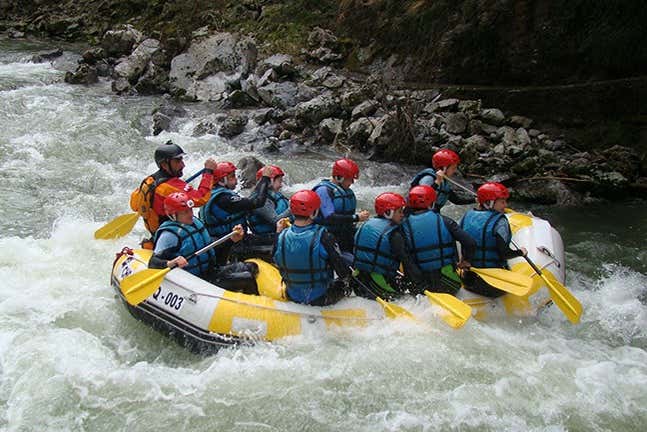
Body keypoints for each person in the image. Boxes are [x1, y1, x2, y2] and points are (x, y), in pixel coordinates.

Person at [148, 192, 259, 294]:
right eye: (185, 212)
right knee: (247, 278)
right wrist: (171, 262)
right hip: (196, 280)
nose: (190, 214)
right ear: (173, 215)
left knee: (252, 267)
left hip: (211, 271)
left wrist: (231, 240)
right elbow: (153, 262)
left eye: (191, 210)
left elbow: (209, 248)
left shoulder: (195, 223)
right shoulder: (169, 235)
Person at [130, 141, 216, 247]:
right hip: (175, 239)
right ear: (164, 164)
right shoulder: (169, 187)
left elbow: (134, 205)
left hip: (159, 235)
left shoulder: (149, 181)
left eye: (181, 160)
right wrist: (208, 172)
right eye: (177, 161)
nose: (183, 165)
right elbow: (201, 198)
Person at [273, 190, 352, 306]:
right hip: (320, 297)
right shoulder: (324, 236)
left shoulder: (281, 236)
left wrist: (277, 232)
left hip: (292, 295)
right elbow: (341, 270)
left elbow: (276, 259)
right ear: (313, 213)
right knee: (345, 282)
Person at [401, 185, 476, 295]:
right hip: (448, 282)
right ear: (432, 203)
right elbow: (470, 243)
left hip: (419, 283)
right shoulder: (446, 221)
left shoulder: (402, 226)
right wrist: (466, 261)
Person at [459, 182, 527, 297]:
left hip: (468, 280)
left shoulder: (466, 216)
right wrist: (521, 252)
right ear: (489, 202)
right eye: (502, 201)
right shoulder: (500, 222)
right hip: (494, 285)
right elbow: (504, 254)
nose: (505, 205)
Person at [199, 162, 273, 263]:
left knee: (276, 238)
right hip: (230, 245)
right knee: (276, 244)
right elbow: (257, 202)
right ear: (222, 180)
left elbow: (250, 201)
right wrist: (265, 178)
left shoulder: (216, 194)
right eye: (232, 176)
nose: (236, 180)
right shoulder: (223, 199)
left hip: (234, 240)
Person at [352, 192, 420, 300]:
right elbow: (406, 261)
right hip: (377, 283)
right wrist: (419, 284)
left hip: (358, 281)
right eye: (400, 211)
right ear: (388, 212)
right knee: (405, 298)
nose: (402, 215)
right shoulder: (394, 234)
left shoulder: (366, 224)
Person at [313, 158, 370, 254]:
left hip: (344, 233)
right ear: (339, 177)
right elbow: (330, 217)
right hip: (327, 236)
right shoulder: (323, 190)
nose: (352, 182)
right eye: (350, 179)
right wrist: (356, 217)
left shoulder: (344, 190)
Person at [409, 149, 472, 213]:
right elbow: (422, 197)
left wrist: (475, 200)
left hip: (432, 212)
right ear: (443, 168)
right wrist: (437, 182)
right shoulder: (428, 178)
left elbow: (456, 200)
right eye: (453, 168)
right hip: (418, 213)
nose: (455, 171)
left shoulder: (444, 182)